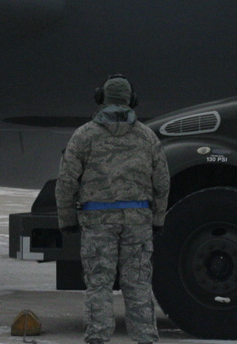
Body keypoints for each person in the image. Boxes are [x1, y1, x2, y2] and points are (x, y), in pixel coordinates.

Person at [57, 75, 170, 344]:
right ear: (132, 101)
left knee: (99, 283)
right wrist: (158, 218)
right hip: (137, 219)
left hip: (97, 219)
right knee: (138, 283)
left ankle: (98, 337)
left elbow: (66, 181)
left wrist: (68, 220)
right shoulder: (146, 136)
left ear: (100, 99)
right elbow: (162, 181)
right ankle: (144, 338)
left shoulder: (84, 135)